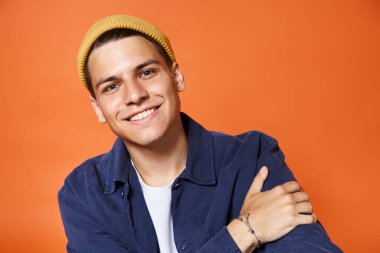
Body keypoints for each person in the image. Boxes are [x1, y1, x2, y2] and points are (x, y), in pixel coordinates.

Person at [58, 15, 342, 253]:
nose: (135, 95)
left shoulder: (253, 157)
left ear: (176, 77)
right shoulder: (83, 192)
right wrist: (243, 232)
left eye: (146, 73)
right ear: (98, 108)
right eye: (112, 86)